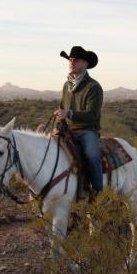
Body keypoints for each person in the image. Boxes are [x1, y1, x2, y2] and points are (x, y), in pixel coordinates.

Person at [55, 46, 104, 198]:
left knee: (92, 155)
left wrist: (68, 113)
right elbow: (62, 108)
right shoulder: (66, 86)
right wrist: (59, 122)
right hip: (68, 131)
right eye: (70, 60)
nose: (71, 62)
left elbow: (91, 115)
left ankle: (98, 193)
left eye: (75, 60)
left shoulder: (93, 87)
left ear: (85, 64)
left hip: (87, 130)